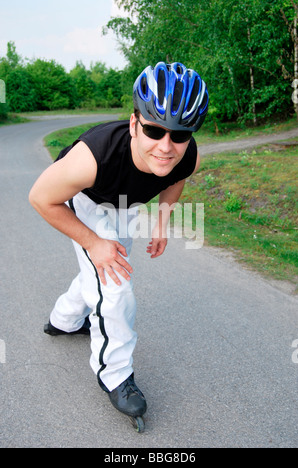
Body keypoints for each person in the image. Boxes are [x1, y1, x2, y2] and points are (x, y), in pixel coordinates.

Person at [29, 61, 209, 424]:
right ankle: (116, 375)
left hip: (125, 204)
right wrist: (93, 242)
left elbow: (177, 179)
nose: (166, 146)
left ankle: (63, 320)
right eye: (155, 130)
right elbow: (40, 198)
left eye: (180, 134)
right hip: (87, 200)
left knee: (102, 269)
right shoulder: (93, 158)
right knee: (115, 283)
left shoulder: (186, 155)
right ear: (134, 124)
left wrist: (161, 222)